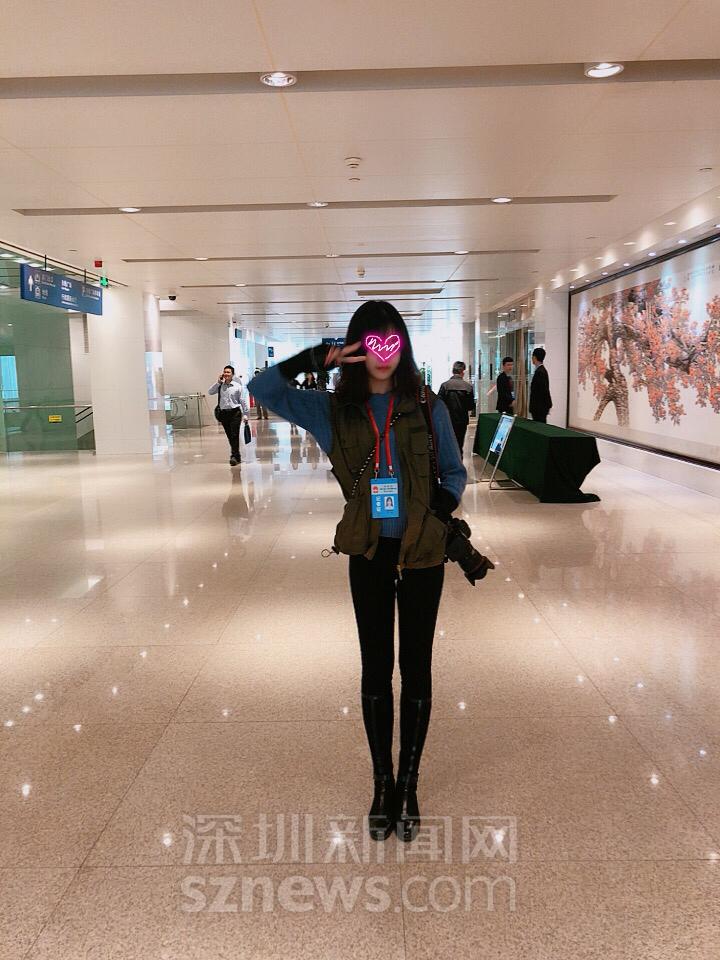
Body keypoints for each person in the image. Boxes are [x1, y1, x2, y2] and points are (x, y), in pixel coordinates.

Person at [249, 301, 466, 843]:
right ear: (356, 347)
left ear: (403, 346)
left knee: (416, 668)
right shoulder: (333, 410)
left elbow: (454, 472)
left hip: (422, 556)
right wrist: (315, 358)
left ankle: (409, 784)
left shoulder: (428, 405)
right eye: (371, 342)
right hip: (368, 555)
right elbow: (263, 387)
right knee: (375, 669)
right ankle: (382, 783)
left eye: (392, 341)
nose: (383, 353)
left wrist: (437, 509)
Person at [209, 365, 249, 466]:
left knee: (234, 434)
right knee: (230, 435)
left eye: (228, 372)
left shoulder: (237, 386)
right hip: (224, 414)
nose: (226, 374)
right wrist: (218, 382)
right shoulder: (220, 386)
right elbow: (210, 392)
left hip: (235, 413)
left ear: (232, 374)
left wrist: (246, 414)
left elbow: (243, 401)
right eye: (225, 372)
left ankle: (234, 456)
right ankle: (237, 455)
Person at [438, 361, 476, 457]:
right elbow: (471, 406)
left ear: (453, 371)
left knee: (448, 444)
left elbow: (439, 404)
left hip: (447, 420)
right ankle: (459, 461)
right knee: (459, 444)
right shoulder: (468, 387)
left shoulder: (445, 385)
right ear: (463, 372)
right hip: (462, 420)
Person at [529, 347, 553, 423]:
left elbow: (544, 390)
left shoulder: (540, 372)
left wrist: (548, 405)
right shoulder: (541, 370)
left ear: (534, 357)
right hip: (540, 407)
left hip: (539, 408)